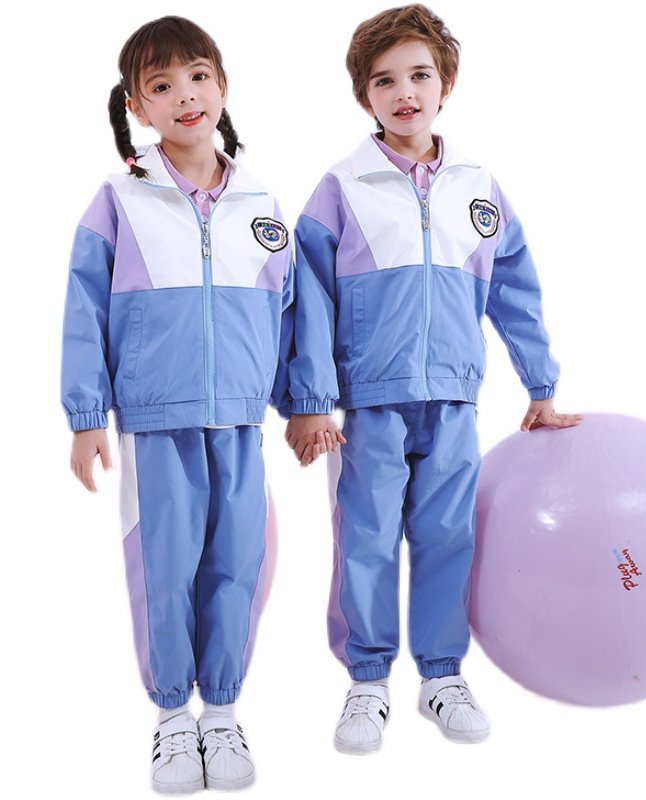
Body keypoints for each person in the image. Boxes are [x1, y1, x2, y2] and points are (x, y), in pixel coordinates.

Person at [282, 3, 581, 754]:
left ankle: (442, 675)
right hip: (368, 403)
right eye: (384, 80)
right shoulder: (341, 187)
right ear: (364, 95)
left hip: (452, 395)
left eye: (419, 74)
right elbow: (308, 300)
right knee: (367, 538)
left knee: (449, 536)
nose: (404, 92)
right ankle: (367, 680)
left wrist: (540, 385)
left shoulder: (478, 185)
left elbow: (513, 287)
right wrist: (312, 400)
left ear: (446, 83)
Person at [61, 16, 292, 793]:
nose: (184, 95)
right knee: (165, 568)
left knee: (238, 564)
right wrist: (86, 415)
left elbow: (290, 311)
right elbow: (84, 310)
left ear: (222, 86)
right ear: (138, 106)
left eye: (197, 76)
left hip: (241, 420)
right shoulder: (119, 200)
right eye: (162, 85)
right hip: (157, 419)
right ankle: (170, 719)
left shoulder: (261, 201)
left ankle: (221, 712)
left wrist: (306, 404)